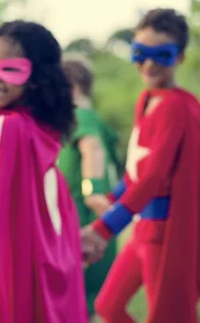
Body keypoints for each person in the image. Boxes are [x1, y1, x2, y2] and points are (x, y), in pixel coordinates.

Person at [81, 8, 200, 323]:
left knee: (167, 314)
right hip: (142, 229)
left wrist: (104, 227)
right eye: (140, 53)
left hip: (162, 232)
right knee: (108, 306)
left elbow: (153, 177)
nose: (148, 64)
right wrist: (111, 199)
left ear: (179, 58)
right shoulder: (147, 99)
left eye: (161, 55)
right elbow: (136, 171)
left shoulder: (178, 107)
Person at [0, 20, 87, 323]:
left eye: (9, 69)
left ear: (36, 77)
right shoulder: (36, 126)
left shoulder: (11, 127)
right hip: (46, 254)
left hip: (14, 261)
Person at [57, 55, 121, 319]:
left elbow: (91, 148)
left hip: (82, 221)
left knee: (73, 302)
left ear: (70, 87)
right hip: (96, 222)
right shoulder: (94, 118)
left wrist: (91, 191)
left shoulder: (78, 115)